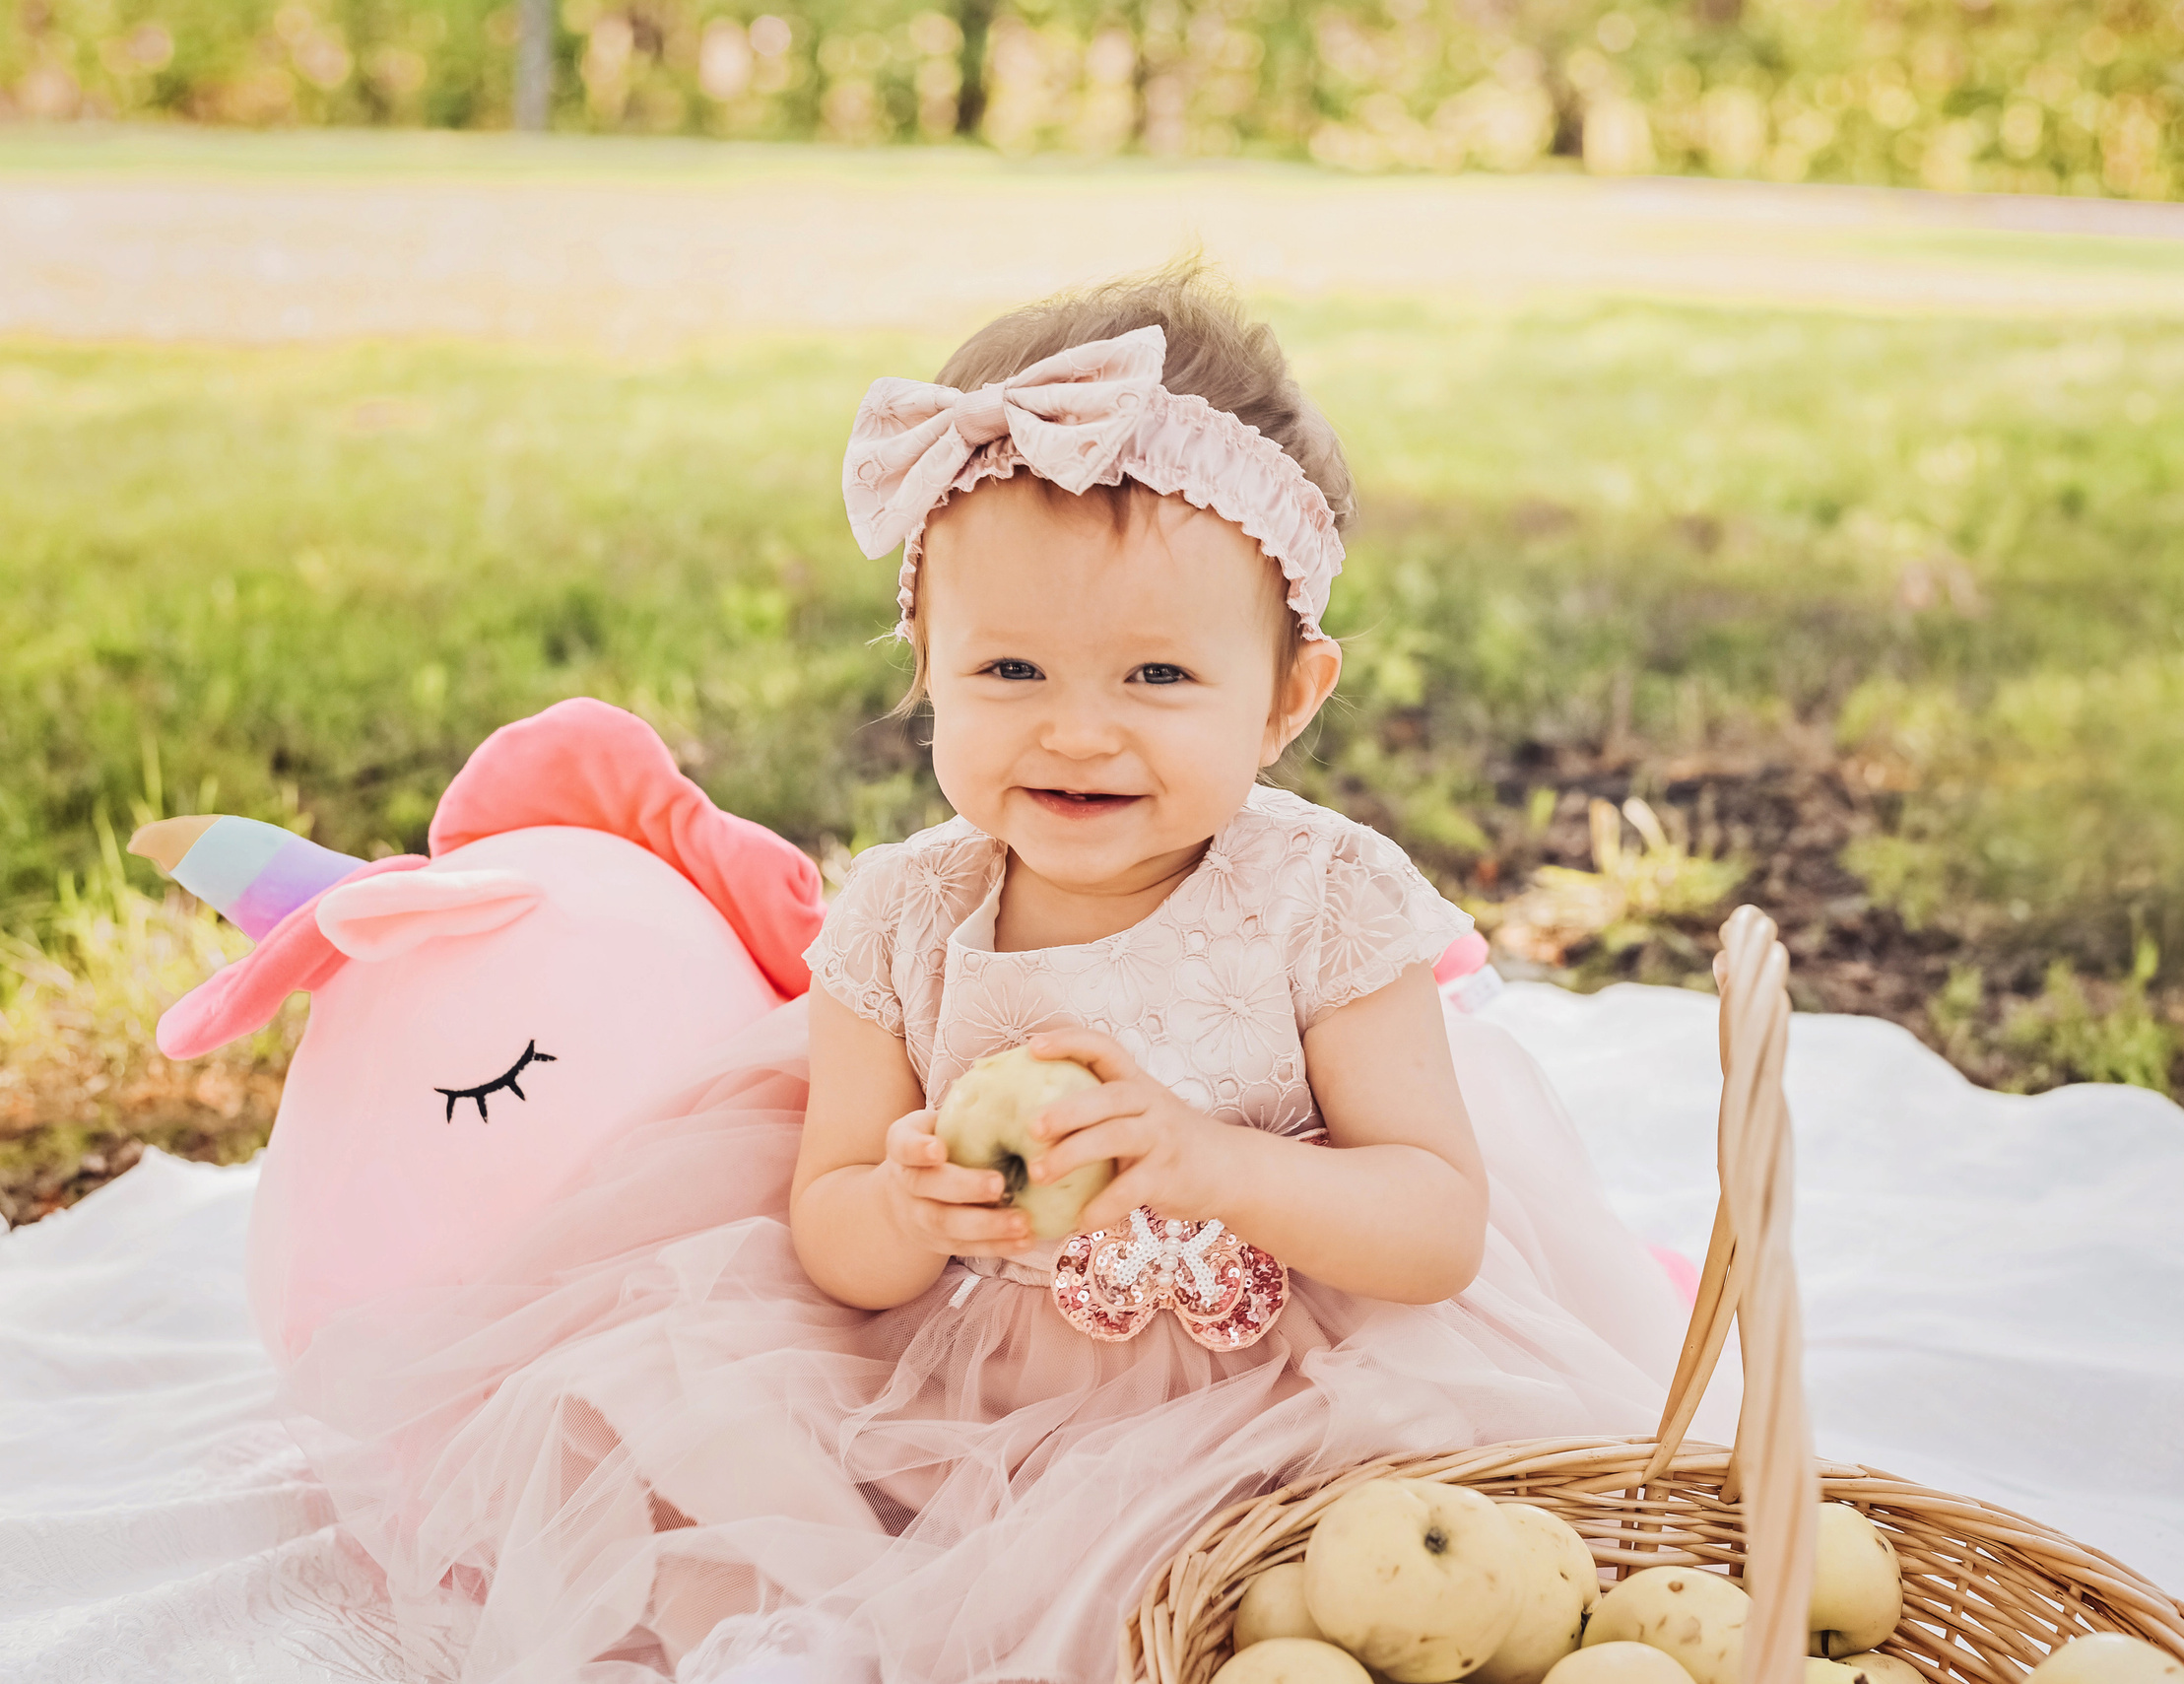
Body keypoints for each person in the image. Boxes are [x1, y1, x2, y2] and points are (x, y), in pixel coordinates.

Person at [287, 269, 1690, 1684]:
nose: (1078, 733)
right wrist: (908, 1199)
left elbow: (1436, 1220)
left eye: (1156, 678)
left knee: (1384, 1600)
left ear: (1286, 697)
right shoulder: (903, 918)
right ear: (928, 667)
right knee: (716, 1460)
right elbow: (832, 1230)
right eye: (1010, 667)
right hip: (976, 1412)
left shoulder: (1320, 898)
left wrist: (1208, 1160)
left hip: (1296, 1392)